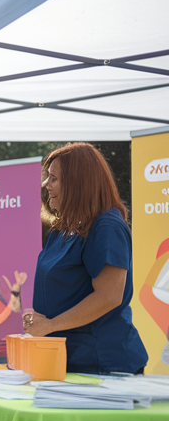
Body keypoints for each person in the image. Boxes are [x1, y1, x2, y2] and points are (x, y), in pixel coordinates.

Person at [26, 143, 148, 374]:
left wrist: (51, 325)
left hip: (102, 364)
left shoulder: (107, 227)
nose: (46, 185)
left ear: (76, 184)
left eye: (53, 178)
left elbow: (109, 297)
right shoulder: (62, 229)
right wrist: (38, 318)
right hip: (67, 360)